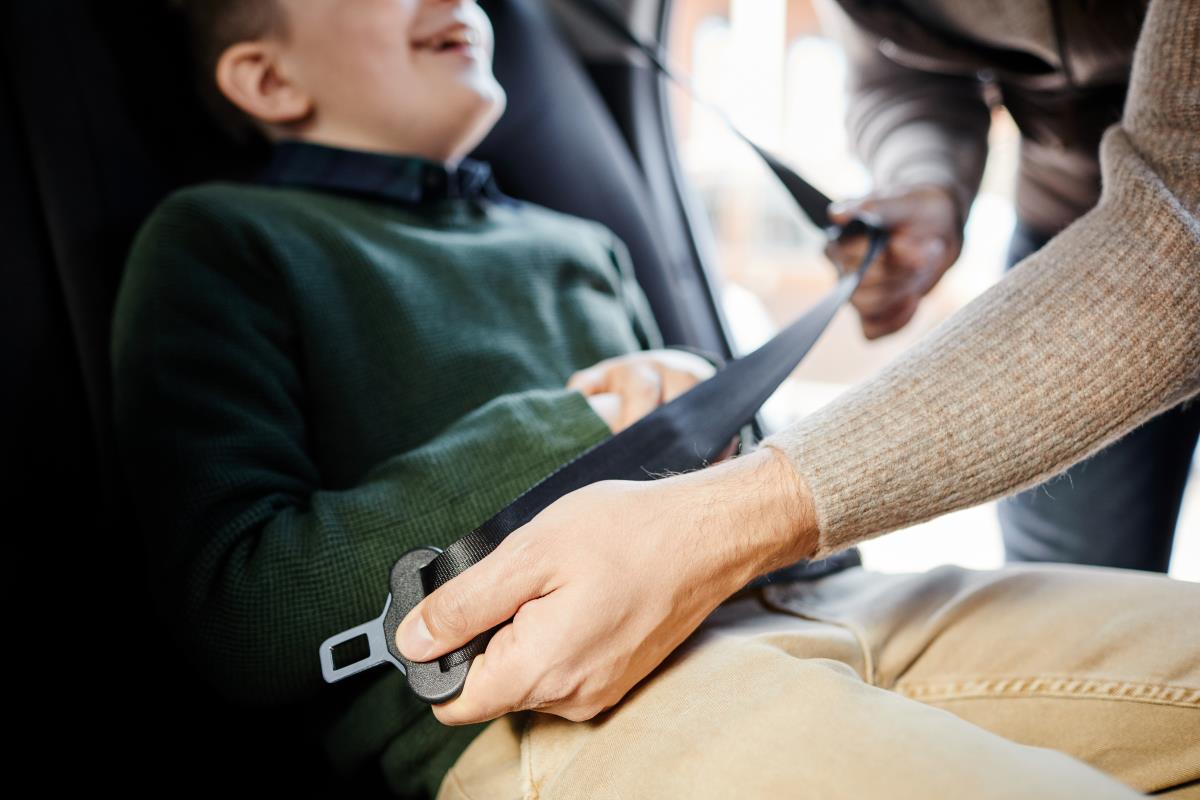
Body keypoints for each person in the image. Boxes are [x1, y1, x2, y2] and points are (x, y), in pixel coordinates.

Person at [108, 1, 1197, 799]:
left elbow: (718, 482)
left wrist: (703, 423)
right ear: (266, 80)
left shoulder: (575, 243)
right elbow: (240, 614)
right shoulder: (222, 240)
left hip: (801, 606)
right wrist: (583, 418)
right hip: (545, 709)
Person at [812, 0, 1200, 571]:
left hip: (1160, 221)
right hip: (1067, 230)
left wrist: (782, 497)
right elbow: (905, 68)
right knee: (1063, 599)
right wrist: (927, 181)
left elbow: (1180, 211)